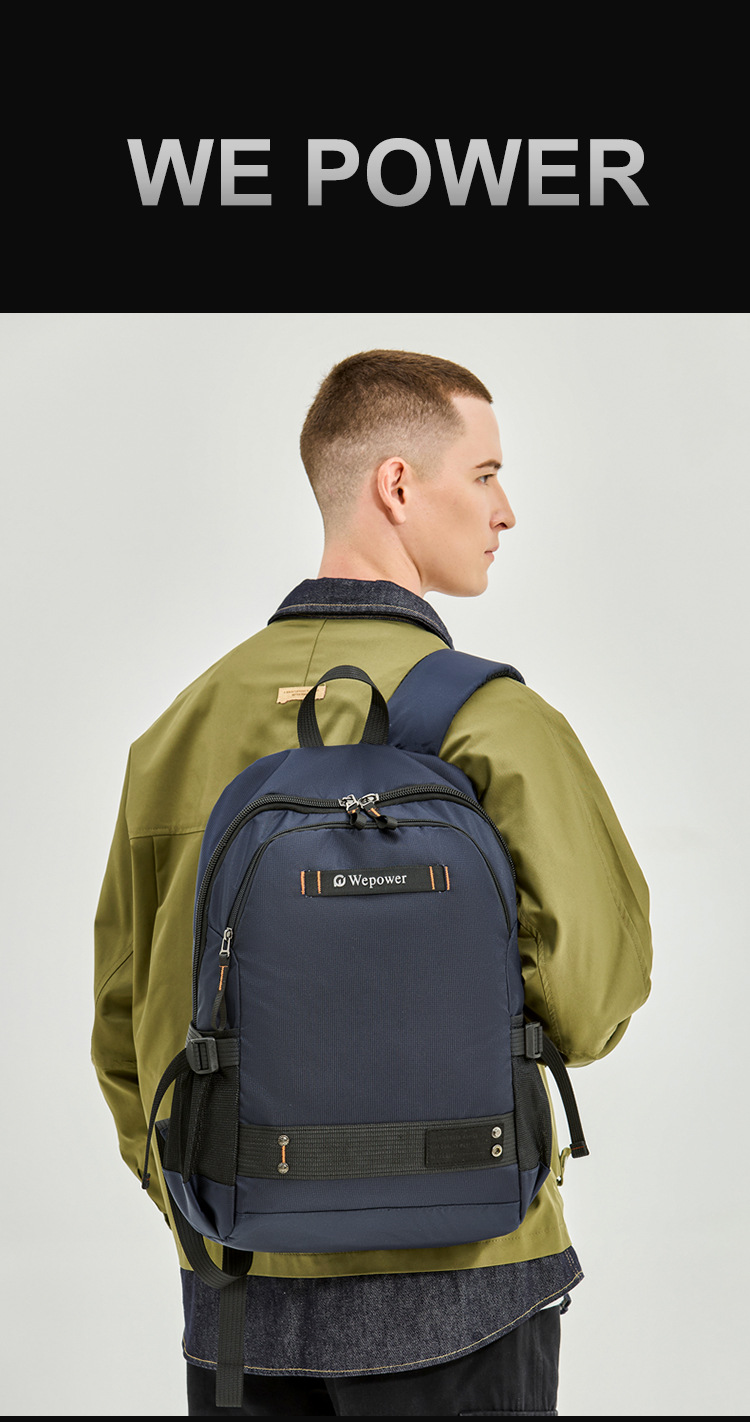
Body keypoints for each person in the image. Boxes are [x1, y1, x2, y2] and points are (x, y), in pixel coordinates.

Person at [92, 349, 653, 1416]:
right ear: (398, 484)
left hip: (237, 1288)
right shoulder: (497, 724)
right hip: (469, 1272)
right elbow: (593, 997)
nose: (507, 509)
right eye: (485, 473)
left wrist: (213, 1203)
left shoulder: (176, 732)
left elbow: (125, 1033)